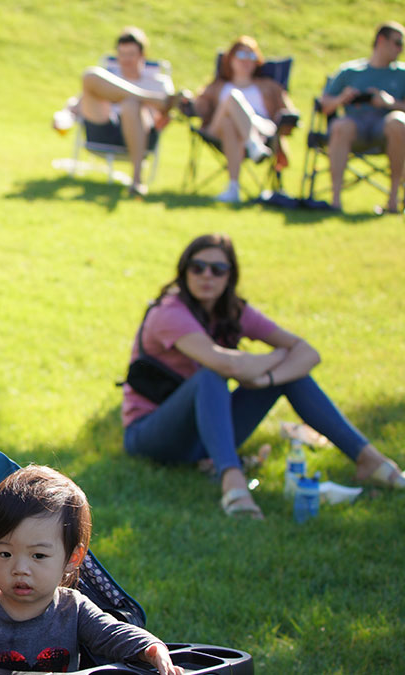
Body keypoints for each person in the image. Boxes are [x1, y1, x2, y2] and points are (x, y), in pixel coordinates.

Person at [122, 234, 405, 519]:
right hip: (150, 436)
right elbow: (226, 365)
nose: (207, 275)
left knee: (290, 376)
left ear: (230, 276)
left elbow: (309, 353)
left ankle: (369, 459)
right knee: (212, 375)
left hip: (205, 435)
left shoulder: (233, 311)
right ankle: (232, 481)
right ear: (184, 272)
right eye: (197, 267)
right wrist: (276, 357)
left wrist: (267, 379)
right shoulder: (169, 313)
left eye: (218, 269)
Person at [0, 465, 183, 674]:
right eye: (5, 553)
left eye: (38, 556)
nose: (20, 568)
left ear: (73, 557)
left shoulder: (74, 610)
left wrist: (151, 648)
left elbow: (114, 634)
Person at [58, 27, 179, 197]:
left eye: (131, 54)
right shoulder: (108, 77)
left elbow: (167, 117)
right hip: (105, 130)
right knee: (90, 76)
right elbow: (77, 103)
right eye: (122, 54)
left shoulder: (159, 83)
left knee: (130, 104)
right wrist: (63, 116)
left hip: (141, 136)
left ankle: (136, 180)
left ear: (142, 55)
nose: (125, 60)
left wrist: (165, 115)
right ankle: (145, 97)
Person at [188, 36, 296, 204]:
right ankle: (252, 144)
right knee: (233, 97)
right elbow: (199, 108)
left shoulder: (269, 85)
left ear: (257, 61)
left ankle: (233, 189)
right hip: (217, 131)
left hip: (262, 129)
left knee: (230, 123)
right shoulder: (218, 85)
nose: (247, 61)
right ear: (230, 59)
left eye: (252, 56)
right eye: (241, 56)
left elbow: (289, 112)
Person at [321, 21, 405, 214]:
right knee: (341, 125)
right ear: (381, 41)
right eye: (397, 43)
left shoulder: (402, 74)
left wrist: (389, 103)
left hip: (387, 131)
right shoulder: (350, 71)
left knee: (398, 122)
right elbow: (324, 104)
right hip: (355, 128)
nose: (400, 49)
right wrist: (342, 99)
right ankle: (335, 201)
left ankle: (393, 201)